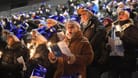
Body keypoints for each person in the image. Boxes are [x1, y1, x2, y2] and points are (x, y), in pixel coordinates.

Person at [107, 10, 138, 78]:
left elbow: (135, 42)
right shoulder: (113, 26)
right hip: (114, 58)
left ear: (128, 16)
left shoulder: (132, 27)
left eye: (123, 14)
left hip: (126, 59)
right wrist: (108, 44)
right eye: (119, 14)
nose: (121, 16)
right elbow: (109, 39)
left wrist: (123, 37)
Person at [77, 8, 107, 78]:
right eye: (81, 15)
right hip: (84, 56)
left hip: (94, 56)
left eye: (84, 14)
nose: (82, 16)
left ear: (90, 14)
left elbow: (101, 32)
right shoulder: (81, 26)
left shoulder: (95, 22)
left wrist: (88, 47)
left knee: (93, 74)